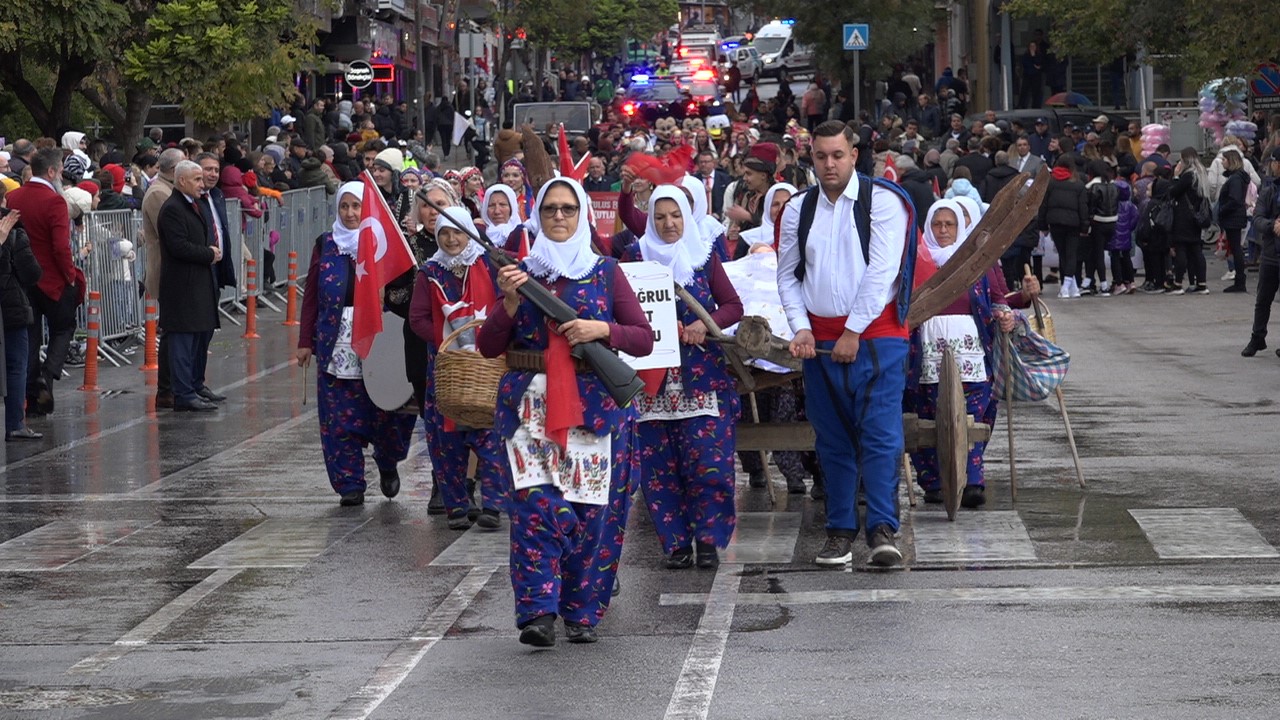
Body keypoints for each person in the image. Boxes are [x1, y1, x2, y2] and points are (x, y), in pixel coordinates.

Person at [477, 177, 653, 647]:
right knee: (536, 506)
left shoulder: (606, 272)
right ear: (536, 216)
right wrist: (511, 303)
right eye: (550, 209)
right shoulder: (519, 272)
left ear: (582, 217)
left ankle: (581, 609)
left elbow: (642, 337)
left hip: (591, 407)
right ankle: (537, 611)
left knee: (591, 511)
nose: (558, 217)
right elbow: (488, 344)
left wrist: (601, 330)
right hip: (527, 408)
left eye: (568, 209)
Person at [777, 120, 916, 567]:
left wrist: (853, 331)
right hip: (819, 340)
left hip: (876, 336)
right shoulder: (799, 209)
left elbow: (883, 271)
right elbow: (787, 274)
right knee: (832, 439)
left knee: (879, 435)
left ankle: (881, 529)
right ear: (810, 158)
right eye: (821, 157)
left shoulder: (883, 201)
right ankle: (839, 530)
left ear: (854, 155)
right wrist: (800, 327)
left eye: (838, 155)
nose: (830, 164)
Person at [623, 186, 743, 569]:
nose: (669, 223)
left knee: (709, 460)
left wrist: (701, 325)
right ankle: (675, 542)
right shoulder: (633, 257)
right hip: (650, 384)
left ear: (687, 217)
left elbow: (732, 306)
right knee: (659, 468)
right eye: (660, 217)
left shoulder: (704, 257)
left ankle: (708, 539)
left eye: (675, 215)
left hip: (701, 378)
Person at [296, 182, 417, 505]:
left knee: (388, 412)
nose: (350, 213)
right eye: (345, 207)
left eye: (357, 207)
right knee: (339, 417)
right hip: (336, 342)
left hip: (381, 340)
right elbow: (311, 297)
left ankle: (388, 460)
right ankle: (349, 483)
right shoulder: (326, 244)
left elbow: (407, 291)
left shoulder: (387, 244)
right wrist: (305, 340)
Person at [907, 200, 1034, 507]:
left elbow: (998, 299)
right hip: (926, 350)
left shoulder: (979, 261)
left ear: (960, 227)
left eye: (950, 224)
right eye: (937, 224)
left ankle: (972, 480)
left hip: (972, 352)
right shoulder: (916, 259)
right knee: (928, 414)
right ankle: (935, 481)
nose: (943, 230)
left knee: (973, 413)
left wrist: (1008, 313)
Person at [409, 206, 509, 530]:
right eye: (445, 233)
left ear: (469, 233)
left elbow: (505, 305)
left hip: (485, 366)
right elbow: (418, 318)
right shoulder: (429, 273)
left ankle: (492, 503)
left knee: (491, 435)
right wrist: (449, 342)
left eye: (458, 232)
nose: (452, 239)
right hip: (448, 366)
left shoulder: (489, 265)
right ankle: (456, 505)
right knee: (445, 441)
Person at [6, 147, 83, 416]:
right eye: (60, 170)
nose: (62, 174)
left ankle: (29, 394)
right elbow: (60, 246)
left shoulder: (13, 196)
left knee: (30, 336)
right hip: (52, 279)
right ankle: (46, 377)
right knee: (64, 328)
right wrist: (70, 275)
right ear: (51, 171)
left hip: (22, 280)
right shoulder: (54, 201)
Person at [156, 161, 224, 412]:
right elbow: (178, 246)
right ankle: (183, 393)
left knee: (197, 339)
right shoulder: (173, 208)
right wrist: (207, 253)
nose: (202, 182)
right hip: (181, 288)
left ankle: (194, 386)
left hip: (198, 284)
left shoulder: (194, 204)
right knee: (182, 343)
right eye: (196, 179)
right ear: (182, 181)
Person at [0, 194, 42, 439]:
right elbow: (32, 273)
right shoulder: (15, 232)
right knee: (16, 365)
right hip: (12, 305)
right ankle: (15, 423)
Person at [1242, 149, 1280, 356]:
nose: (1272, 166)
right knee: (1263, 298)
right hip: (1271, 254)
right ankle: (1258, 337)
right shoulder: (1269, 190)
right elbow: (1257, 217)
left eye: (1274, 162)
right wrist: (1272, 225)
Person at [1038, 156, 1089, 298]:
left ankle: (1069, 286)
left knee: (1063, 254)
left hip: (1055, 222)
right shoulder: (1078, 184)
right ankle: (1068, 286)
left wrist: (1042, 224)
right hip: (1073, 223)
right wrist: (1085, 227)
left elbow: (1044, 205)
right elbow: (1083, 208)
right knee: (1071, 253)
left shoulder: (1050, 183)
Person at [1168, 147, 1210, 294]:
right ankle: (1201, 283)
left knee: (1181, 250)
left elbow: (1173, 192)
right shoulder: (1201, 173)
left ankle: (1178, 283)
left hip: (1183, 217)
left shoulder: (1187, 175)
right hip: (1196, 218)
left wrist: (1176, 176)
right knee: (1196, 250)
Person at [1218, 150, 1251, 293]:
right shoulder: (1235, 178)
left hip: (1233, 217)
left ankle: (1240, 280)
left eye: (1224, 160)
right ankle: (1239, 279)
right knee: (1235, 248)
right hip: (1234, 216)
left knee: (1236, 249)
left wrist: (1222, 209)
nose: (1222, 162)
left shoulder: (1236, 179)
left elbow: (1235, 199)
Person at [1106, 179, 1139, 295]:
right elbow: (1135, 220)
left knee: (1115, 258)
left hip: (1114, 236)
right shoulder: (1131, 206)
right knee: (1126, 258)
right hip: (1126, 236)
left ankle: (1119, 284)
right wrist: (1129, 229)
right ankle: (1131, 282)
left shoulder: (1112, 205)